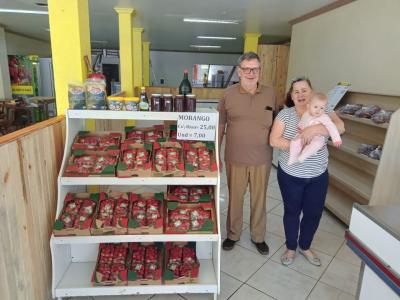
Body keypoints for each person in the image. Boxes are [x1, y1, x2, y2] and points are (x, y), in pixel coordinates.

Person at [269, 77, 345, 266]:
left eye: (305, 90)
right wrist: (298, 145)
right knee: (292, 212)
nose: (301, 94)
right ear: (292, 97)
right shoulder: (285, 115)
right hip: (290, 175)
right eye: (296, 91)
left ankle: (305, 246)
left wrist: (318, 128)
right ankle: (291, 247)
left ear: (311, 94)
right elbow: (274, 140)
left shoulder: (324, 111)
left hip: (318, 175)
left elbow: (341, 127)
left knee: (313, 213)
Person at [218, 52, 277, 255]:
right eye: (246, 69)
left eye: (255, 69)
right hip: (235, 157)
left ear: (260, 71)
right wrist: (215, 154)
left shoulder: (271, 93)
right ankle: (233, 234)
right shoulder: (228, 94)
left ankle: (258, 236)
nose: (251, 73)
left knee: (259, 199)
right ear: (239, 71)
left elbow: (280, 121)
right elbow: (220, 125)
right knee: (235, 198)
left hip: (262, 158)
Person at [288, 92, 342, 165]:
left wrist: (336, 139)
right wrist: (300, 128)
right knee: (294, 142)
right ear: (309, 106)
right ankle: (293, 158)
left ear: (324, 109)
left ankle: (302, 157)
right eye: (315, 107)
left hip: (317, 137)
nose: (318, 110)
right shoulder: (306, 113)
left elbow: (332, 127)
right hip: (303, 133)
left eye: (321, 108)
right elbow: (303, 121)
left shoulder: (324, 117)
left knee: (317, 144)